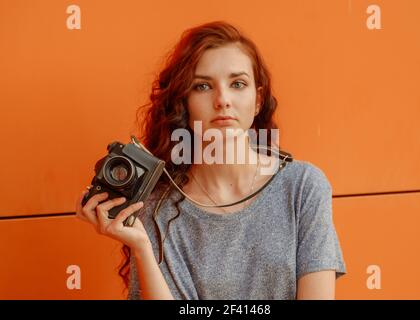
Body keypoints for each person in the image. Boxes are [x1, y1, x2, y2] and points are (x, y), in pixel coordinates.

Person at [75, 21, 346, 300]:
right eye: (203, 86)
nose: (223, 100)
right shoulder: (157, 208)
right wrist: (142, 246)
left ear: (257, 100)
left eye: (238, 84)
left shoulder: (302, 188)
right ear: (184, 103)